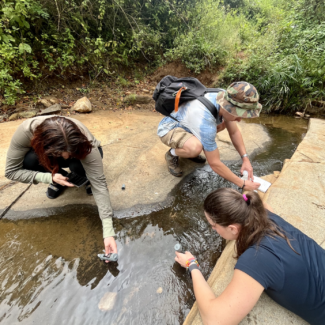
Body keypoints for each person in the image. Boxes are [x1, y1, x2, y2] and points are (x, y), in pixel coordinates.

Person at [175, 188, 325, 325]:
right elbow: (264, 205)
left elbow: (215, 320)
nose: (213, 229)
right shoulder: (263, 214)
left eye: (213, 226)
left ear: (232, 228)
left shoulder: (257, 258)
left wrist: (192, 264)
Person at [5, 115, 117, 259]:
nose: (65, 157)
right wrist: (49, 177)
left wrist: (108, 232)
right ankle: (59, 178)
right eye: (63, 154)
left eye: (69, 154)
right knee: (29, 161)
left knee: (78, 165)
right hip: (47, 154)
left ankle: (82, 175)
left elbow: (100, 185)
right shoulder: (26, 131)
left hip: (79, 152)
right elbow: (11, 171)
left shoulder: (83, 139)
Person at [157, 81, 263, 191]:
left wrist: (245, 159)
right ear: (228, 107)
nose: (240, 119)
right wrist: (242, 183)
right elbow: (215, 163)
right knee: (195, 148)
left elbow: (234, 132)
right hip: (170, 129)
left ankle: (191, 143)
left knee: (223, 124)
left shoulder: (225, 95)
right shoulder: (205, 122)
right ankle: (171, 154)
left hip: (192, 123)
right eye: (239, 114)